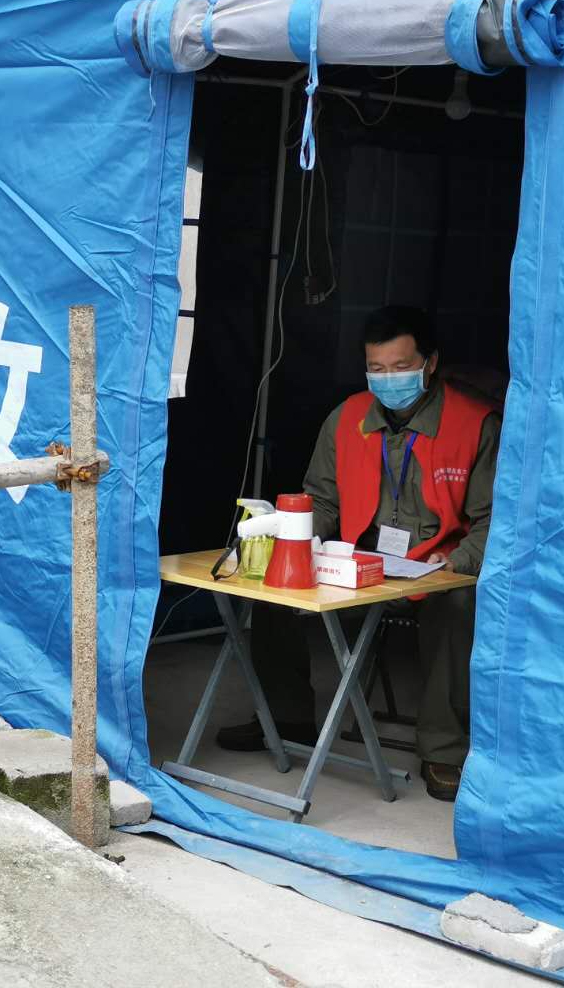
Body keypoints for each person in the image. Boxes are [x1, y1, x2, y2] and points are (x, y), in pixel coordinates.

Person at [215, 305, 501, 802]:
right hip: (356, 564)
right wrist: (292, 543)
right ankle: (287, 720)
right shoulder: (346, 417)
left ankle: (444, 750)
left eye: (401, 367)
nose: (388, 379)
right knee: (274, 589)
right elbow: (323, 501)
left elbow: (492, 520)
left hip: (435, 569)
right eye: (377, 369)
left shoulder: (476, 423)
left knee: (459, 603)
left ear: (430, 363)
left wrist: (458, 562)